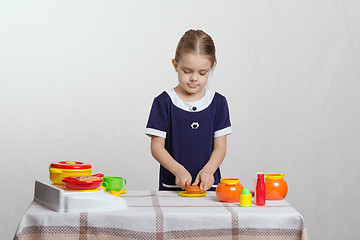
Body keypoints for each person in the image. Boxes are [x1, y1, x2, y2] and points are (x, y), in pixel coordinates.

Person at [145, 29, 232, 192]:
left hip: (209, 188)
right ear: (175, 65)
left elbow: (220, 147)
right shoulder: (163, 102)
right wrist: (178, 170)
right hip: (172, 187)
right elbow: (157, 147)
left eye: (202, 73)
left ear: (212, 67)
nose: (194, 78)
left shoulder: (218, 103)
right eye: (187, 71)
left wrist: (208, 171)